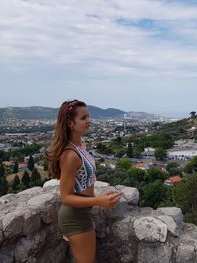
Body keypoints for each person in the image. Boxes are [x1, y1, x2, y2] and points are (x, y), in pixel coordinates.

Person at [45, 99, 122, 263]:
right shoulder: (70, 155)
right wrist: (99, 200)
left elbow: (83, 179)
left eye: (88, 116)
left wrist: (97, 198)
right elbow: (65, 197)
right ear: (70, 123)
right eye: (83, 118)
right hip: (74, 217)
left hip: (81, 213)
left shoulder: (80, 146)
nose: (89, 120)